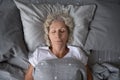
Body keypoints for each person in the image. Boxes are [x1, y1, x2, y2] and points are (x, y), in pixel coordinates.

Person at [24, 12, 92, 80]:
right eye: (53, 32)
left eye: (62, 31)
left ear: (68, 34)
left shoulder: (77, 52)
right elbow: (28, 78)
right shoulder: (39, 53)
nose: (58, 36)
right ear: (48, 35)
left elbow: (89, 77)